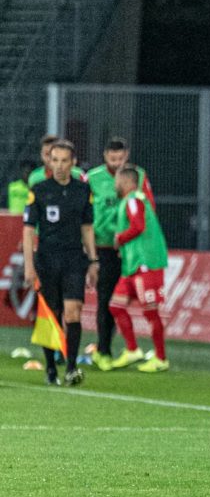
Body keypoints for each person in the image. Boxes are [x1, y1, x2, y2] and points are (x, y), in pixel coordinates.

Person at [22, 139, 98, 386]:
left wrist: (93, 260)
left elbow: (87, 227)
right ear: (49, 161)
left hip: (74, 258)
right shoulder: (39, 189)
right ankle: (51, 367)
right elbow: (28, 230)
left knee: (73, 311)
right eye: (55, 160)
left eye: (64, 161)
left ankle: (71, 367)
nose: (59, 166)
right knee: (51, 314)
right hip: (47, 259)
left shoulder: (82, 190)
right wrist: (29, 266)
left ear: (73, 162)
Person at [87, 137, 157, 371]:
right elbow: (85, 212)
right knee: (106, 300)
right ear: (105, 156)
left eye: (120, 158)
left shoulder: (138, 176)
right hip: (105, 248)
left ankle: (147, 352)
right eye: (112, 158)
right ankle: (104, 350)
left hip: (130, 250)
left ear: (126, 155)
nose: (116, 163)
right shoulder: (93, 178)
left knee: (128, 302)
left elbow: (149, 209)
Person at [106, 167, 171, 373]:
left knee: (151, 311)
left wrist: (119, 239)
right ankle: (132, 349)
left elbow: (138, 226)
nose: (115, 185)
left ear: (126, 182)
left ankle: (160, 358)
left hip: (146, 263)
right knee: (116, 306)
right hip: (132, 265)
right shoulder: (130, 200)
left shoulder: (134, 199)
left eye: (117, 181)